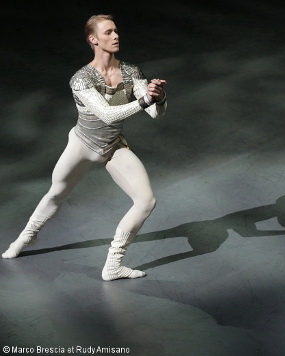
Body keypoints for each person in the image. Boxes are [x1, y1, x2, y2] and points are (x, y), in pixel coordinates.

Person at [2, 14, 168, 281]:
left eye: (116, 31)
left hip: (114, 146)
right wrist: (145, 100)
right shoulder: (81, 79)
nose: (115, 36)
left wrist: (158, 99)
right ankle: (25, 238)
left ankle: (113, 264)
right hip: (81, 144)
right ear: (93, 39)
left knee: (146, 201)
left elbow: (155, 114)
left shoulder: (131, 72)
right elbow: (108, 115)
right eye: (108, 33)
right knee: (56, 193)